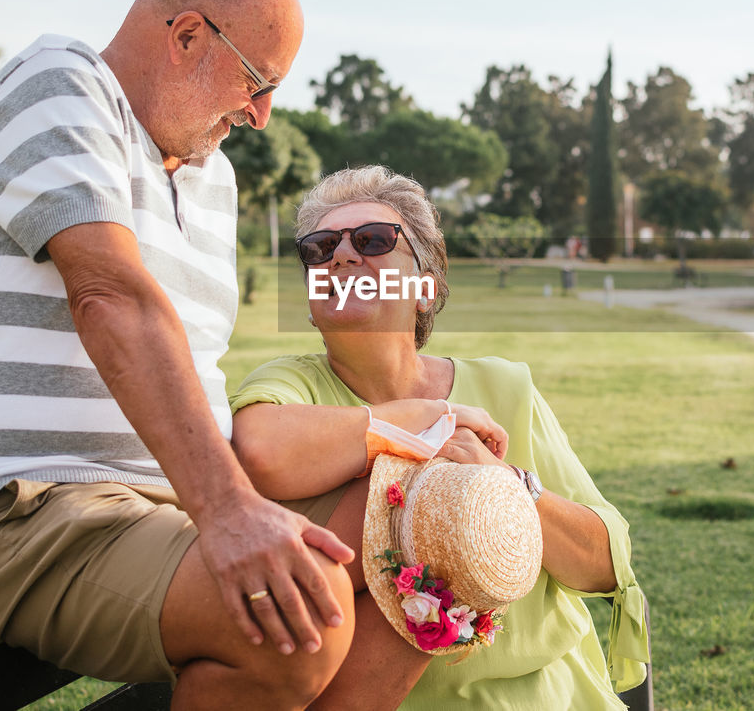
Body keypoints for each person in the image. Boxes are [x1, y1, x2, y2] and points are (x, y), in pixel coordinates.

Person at [0, 0, 356, 710]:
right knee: (302, 620)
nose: (260, 113)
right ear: (185, 36)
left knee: (411, 538)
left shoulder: (215, 180)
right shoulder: (58, 84)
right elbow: (110, 295)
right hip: (19, 504)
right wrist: (229, 509)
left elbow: (193, 370)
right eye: (255, 80)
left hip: (158, 501)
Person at [229, 165, 650, 709]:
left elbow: (605, 564)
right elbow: (260, 446)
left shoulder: (505, 386)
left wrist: (506, 487)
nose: (342, 256)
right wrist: (431, 419)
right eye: (320, 247)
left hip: (556, 695)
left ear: (424, 290)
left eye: (374, 240)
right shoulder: (288, 385)